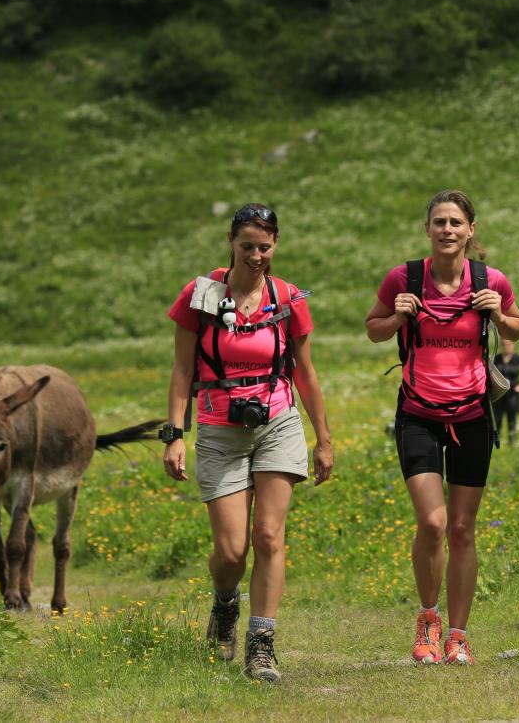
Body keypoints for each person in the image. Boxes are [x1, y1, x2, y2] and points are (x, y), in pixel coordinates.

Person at [161, 203, 334, 683]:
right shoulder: (201, 295)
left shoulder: (288, 297)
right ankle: (224, 604)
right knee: (233, 550)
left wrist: (323, 437)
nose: (256, 256)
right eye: (247, 246)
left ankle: (262, 646)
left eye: (265, 247)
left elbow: (305, 370)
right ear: (231, 242)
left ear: (275, 245)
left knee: (269, 537)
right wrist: (175, 434)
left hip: (277, 422)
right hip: (219, 428)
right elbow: (180, 369)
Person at [365, 189, 519, 666]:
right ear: (428, 229)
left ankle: (458, 635)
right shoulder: (404, 278)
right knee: (433, 522)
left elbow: (516, 329)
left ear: (470, 230)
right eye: (440, 222)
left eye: (456, 222)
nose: (448, 230)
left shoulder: (489, 280)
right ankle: (428, 620)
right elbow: (373, 328)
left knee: (462, 528)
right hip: (418, 414)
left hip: (473, 415)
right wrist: (397, 316)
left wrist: (499, 311)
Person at [491, 338, 519, 446]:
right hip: (499, 395)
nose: (507, 347)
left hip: (513, 395)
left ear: (513, 345)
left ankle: (512, 443)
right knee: (497, 420)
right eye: (504, 345)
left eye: (509, 344)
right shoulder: (496, 359)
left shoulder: (517, 358)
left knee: (512, 420)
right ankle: (496, 443)